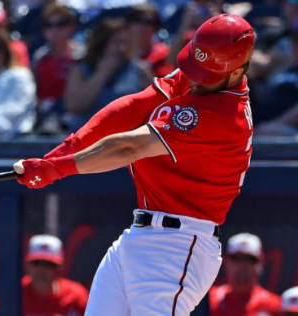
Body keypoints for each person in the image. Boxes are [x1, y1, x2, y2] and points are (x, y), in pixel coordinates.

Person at [13, 14, 255, 315]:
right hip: (140, 235)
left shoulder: (220, 115)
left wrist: (56, 170)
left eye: (204, 74)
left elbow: (128, 146)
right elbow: (133, 106)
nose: (194, 77)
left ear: (235, 73)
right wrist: (61, 153)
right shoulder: (206, 77)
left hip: (179, 246)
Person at [63, 18, 152, 132]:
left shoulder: (140, 71)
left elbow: (153, 108)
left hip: (126, 135)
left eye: (125, 42)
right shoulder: (80, 70)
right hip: (87, 133)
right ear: (101, 43)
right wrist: (102, 73)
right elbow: (74, 106)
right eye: (115, 42)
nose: (121, 48)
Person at [0, 234, 89, 316]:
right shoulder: (12, 292)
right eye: (36, 263)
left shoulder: (77, 296)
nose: (41, 270)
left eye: (49, 264)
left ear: (59, 269)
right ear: (27, 266)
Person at [32, 3, 84, 134]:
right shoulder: (40, 57)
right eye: (49, 25)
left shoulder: (82, 56)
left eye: (60, 24)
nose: (54, 30)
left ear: (72, 27)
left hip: (74, 117)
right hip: (44, 116)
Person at [208, 233, 282, 316]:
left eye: (250, 260)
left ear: (261, 263)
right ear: (225, 262)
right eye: (236, 259)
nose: (242, 266)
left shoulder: (275, 306)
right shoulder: (208, 299)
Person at [125, 3, 174, 78]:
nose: (141, 26)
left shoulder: (163, 54)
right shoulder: (118, 51)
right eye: (137, 20)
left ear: (155, 28)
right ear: (128, 24)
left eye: (148, 22)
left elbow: (166, 86)